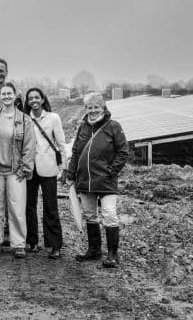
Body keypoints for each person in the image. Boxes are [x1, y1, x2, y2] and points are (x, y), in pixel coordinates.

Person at [66, 93, 128, 268]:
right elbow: (76, 152)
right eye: (89, 107)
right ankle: (94, 250)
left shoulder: (113, 126)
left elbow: (123, 152)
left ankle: (112, 254)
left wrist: (111, 171)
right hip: (85, 180)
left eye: (96, 107)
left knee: (109, 213)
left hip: (106, 181)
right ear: (86, 109)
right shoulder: (83, 128)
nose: (93, 111)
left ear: (103, 108)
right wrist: (71, 175)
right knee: (89, 214)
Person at [0, 83, 36, 258]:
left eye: (9, 93)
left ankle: (18, 244)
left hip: (16, 171)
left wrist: (24, 168)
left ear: (15, 96)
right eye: (3, 93)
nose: (6, 96)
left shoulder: (24, 120)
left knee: (17, 208)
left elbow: (30, 147)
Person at [25, 88, 67, 259]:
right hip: (29, 167)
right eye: (30, 98)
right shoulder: (25, 119)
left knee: (50, 206)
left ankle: (54, 244)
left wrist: (64, 167)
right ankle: (32, 241)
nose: (34, 100)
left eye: (37, 97)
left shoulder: (53, 118)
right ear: (27, 102)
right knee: (29, 206)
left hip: (48, 167)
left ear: (42, 100)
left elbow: (61, 143)